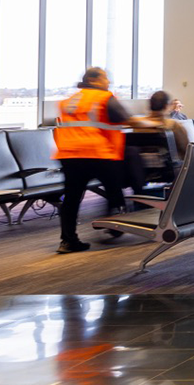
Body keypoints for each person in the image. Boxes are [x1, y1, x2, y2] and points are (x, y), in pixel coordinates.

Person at [52, 67, 144, 254]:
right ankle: (115, 225)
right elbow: (127, 119)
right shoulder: (103, 98)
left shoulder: (69, 101)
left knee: (71, 199)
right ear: (93, 80)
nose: (108, 82)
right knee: (115, 189)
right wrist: (150, 122)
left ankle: (68, 241)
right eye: (105, 78)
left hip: (70, 154)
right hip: (98, 152)